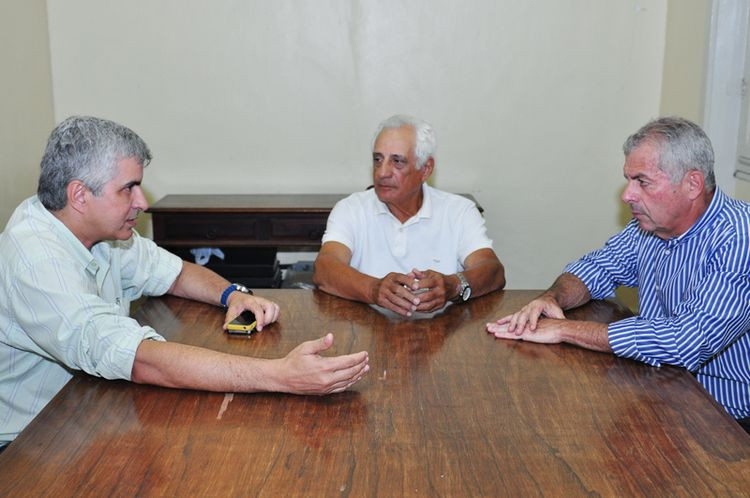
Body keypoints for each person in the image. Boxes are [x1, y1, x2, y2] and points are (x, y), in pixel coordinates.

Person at [0, 116, 369, 450]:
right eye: (128, 189)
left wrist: (232, 295)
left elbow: (175, 271)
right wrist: (280, 375)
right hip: (30, 443)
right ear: (80, 195)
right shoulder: (36, 260)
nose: (142, 202)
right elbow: (143, 361)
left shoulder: (98, 230)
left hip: (87, 406)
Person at [487, 117, 750, 432]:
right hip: (656, 390)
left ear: (692, 184)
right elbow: (597, 267)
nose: (628, 195)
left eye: (642, 181)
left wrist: (564, 330)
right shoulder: (651, 227)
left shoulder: (739, 236)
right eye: (628, 180)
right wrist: (550, 298)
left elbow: (686, 341)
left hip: (723, 419)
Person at [313, 115, 505, 317]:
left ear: (425, 169)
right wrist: (374, 289)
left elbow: (493, 271)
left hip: (444, 336)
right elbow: (324, 268)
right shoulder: (351, 209)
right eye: (378, 160)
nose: (382, 172)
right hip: (366, 333)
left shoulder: (459, 211)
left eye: (397, 161)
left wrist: (454, 285)